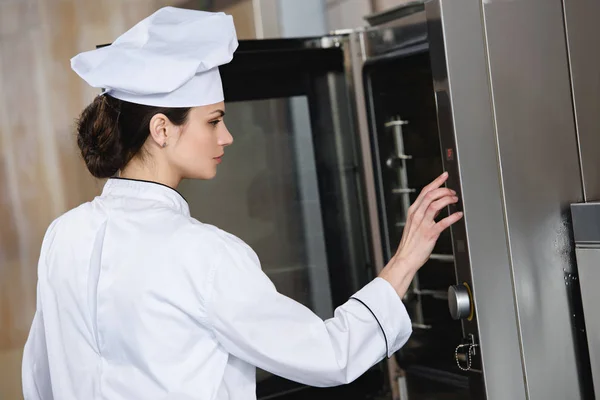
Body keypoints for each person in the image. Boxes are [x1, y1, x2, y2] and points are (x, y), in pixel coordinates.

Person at [21, 7, 463, 400]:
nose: (227, 136)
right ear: (161, 129)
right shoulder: (204, 255)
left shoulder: (63, 235)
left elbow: (40, 379)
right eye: (214, 121)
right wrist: (405, 260)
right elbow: (330, 355)